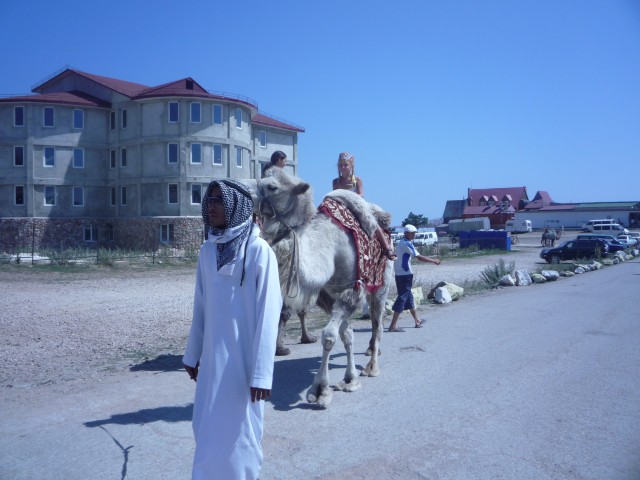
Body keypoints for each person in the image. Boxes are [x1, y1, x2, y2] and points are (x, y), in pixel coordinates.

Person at [182, 179, 282, 480]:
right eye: (208, 200)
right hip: (213, 364)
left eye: (218, 200)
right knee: (207, 429)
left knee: (242, 437)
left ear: (235, 205)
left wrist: (262, 373)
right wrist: (193, 353)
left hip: (244, 366)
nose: (210, 206)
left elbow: (269, 313)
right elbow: (201, 305)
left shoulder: (259, 251)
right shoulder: (207, 252)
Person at [331, 152, 395, 260]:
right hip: (341, 206)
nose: (343, 167)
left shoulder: (357, 180)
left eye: (345, 164)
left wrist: (349, 196)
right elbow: (334, 195)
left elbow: (361, 194)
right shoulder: (335, 182)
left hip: (356, 205)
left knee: (371, 222)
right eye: (341, 165)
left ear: (351, 166)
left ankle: (387, 248)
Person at [387, 224, 441, 332]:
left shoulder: (402, 243)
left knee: (409, 297)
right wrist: (433, 261)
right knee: (402, 298)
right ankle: (393, 325)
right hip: (405, 275)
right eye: (412, 233)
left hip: (400, 274)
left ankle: (417, 320)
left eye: (414, 233)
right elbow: (419, 257)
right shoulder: (406, 244)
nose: (414, 235)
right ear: (406, 233)